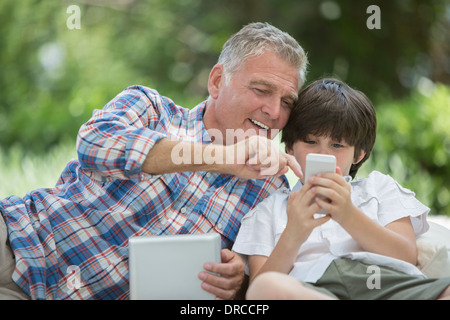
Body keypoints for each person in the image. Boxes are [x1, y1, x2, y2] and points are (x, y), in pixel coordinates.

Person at [0, 22, 307, 300]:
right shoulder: (151, 109)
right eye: (261, 90)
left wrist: (237, 283)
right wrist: (223, 157)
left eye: (286, 102)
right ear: (216, 81)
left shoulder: (271, 191)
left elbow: (261, 284)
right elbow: (94, 145)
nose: (274, 111)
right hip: (19, 243)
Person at [232, 78, 450, 300]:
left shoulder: (379, 188)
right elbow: (257, 293)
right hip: (313, 288)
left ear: (359, 154)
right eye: (310, 141)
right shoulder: (268, 210)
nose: (323, 154)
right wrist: (293, 233)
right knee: (266, 288)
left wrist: (348, 214)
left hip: (385, 284)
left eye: (337, 145)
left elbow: (406, 256)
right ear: (289, 147)